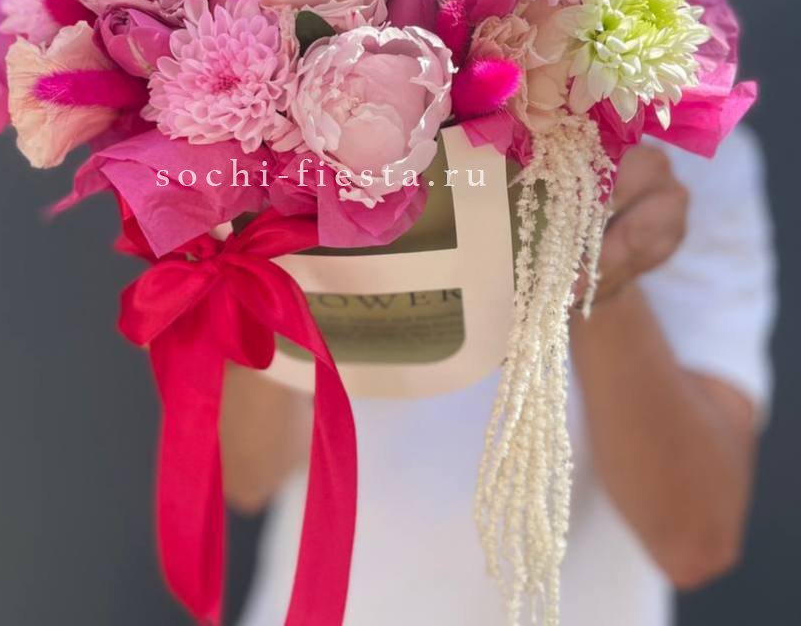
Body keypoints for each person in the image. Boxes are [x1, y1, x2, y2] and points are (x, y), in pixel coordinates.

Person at [224, 128, 777, 626]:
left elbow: (694, 543)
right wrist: (277, 214)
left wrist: (586, 254)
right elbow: (247, 474)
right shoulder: (306, 128)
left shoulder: (687, 153)